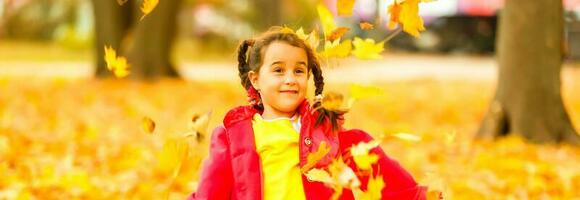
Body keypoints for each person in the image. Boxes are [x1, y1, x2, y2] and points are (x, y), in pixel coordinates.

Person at [188, 27, 427, 200]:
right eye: (279, 70)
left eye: (299, 71)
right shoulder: (232, 135)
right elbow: (210, 191)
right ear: (256, 79)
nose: (290, 79)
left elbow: (391, 182)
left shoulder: (327, 132)